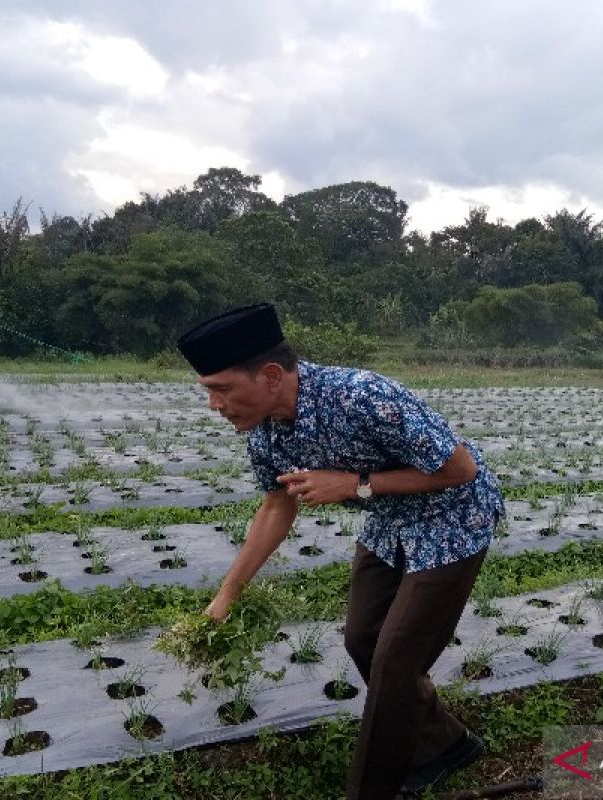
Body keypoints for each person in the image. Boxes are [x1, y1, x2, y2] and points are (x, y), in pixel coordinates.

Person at [177, 303, 505, 800]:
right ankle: (449, 743)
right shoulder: (265, 429)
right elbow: (276, 506)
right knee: (362, 641)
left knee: (394, 665)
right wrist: (228, 594)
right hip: (390, 522)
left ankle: (375, 787)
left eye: (221, 388)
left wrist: (356, 485)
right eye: (209, 391)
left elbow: (460, 469)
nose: (214, 405)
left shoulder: (363, 396)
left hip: (453, 520)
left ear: (269, 376)